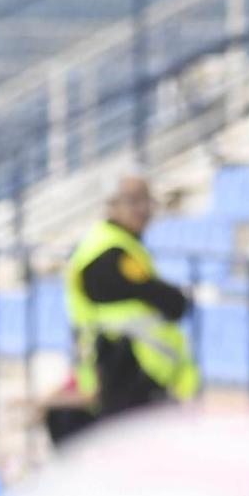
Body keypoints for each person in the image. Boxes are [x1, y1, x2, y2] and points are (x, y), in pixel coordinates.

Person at [62, 175, 198, 431]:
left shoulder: (118, 244)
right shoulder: (110, 251)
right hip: (123, 370)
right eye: (134, 201)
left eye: (147, 200)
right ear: (111, 205)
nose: (143, 209)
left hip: (130, 373)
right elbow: (170, 301)